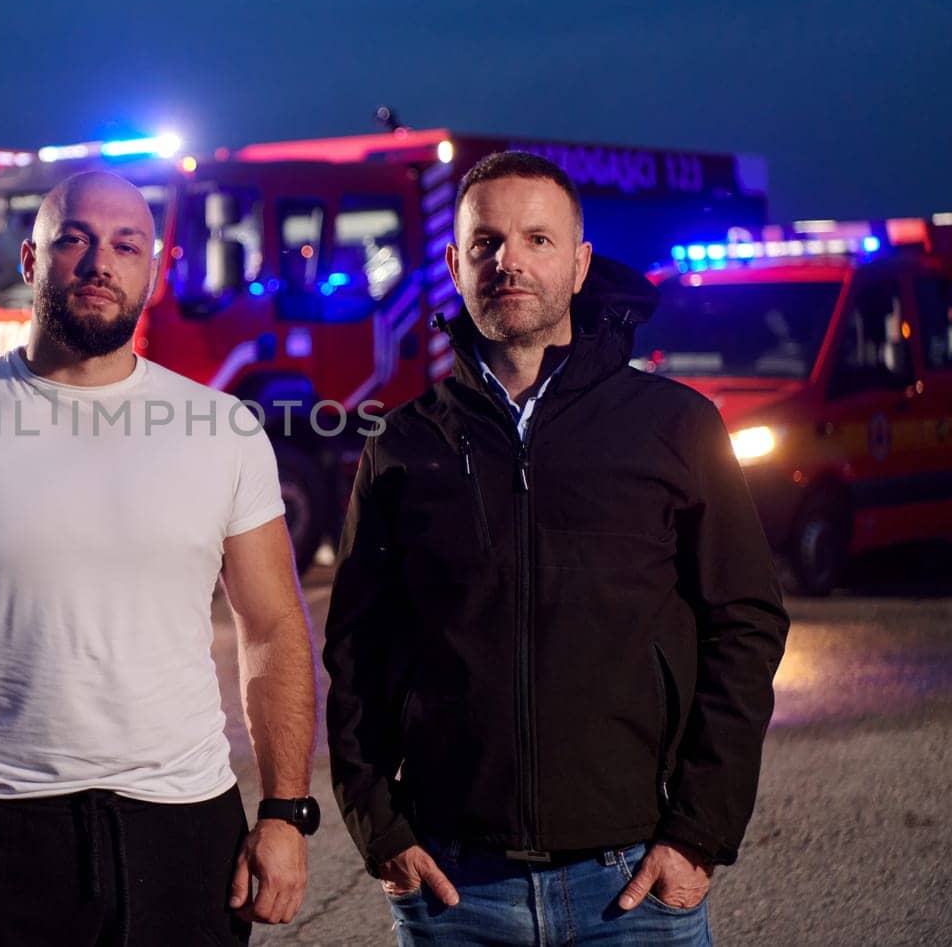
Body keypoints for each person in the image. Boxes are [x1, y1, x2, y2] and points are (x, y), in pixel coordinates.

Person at [323, 151, 789, 945]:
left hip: (632, 885)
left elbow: (745, 623)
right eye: (487, 243)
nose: (509, 261)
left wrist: (698, 831)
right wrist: (382, 829)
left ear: (578, 265)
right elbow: (356, 651)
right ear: (454, 263)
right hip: (454, 891)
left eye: (538, 240)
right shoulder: (404, 446)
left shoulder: (675, 427)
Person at [0, 171, 318, 946]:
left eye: (126, 244)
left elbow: (271, 625)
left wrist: (285, 812)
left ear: (152, 275)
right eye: (75, 239)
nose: (101, 261)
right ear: (31, 260)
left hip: (188, 832)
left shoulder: (222, 429)